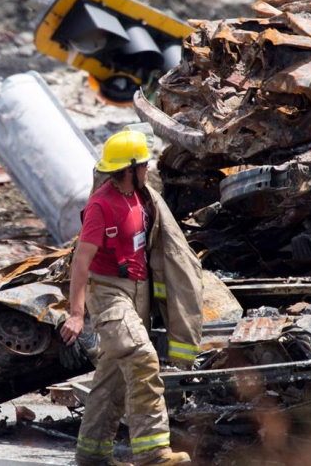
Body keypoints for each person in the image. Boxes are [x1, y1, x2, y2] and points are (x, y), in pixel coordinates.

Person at [60, 128, 201, 466]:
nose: (148, 169)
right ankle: (152, 453)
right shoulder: (101, 206)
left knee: (111, 377)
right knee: (142, 359)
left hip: (136, 296)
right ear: (129, 168)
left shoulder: (141, 196)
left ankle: (92, 455)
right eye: (144, 165)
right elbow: (81, 261)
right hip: (108, 294)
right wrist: (77, 314)